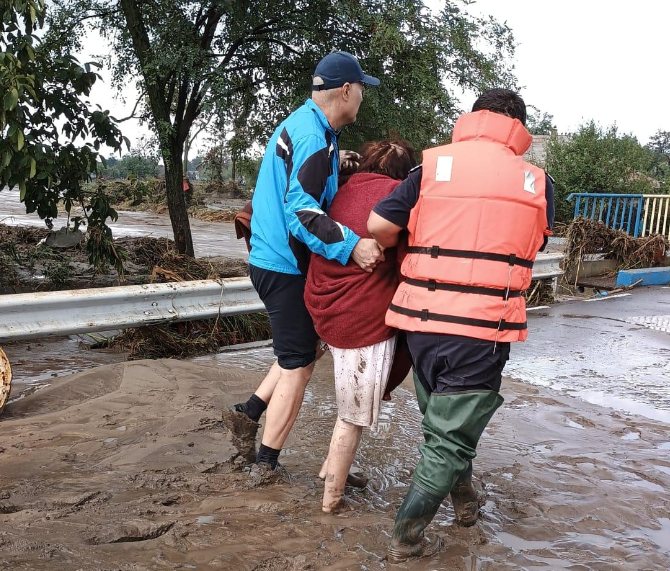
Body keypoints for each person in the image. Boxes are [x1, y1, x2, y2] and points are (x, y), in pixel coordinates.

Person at [367, 89, 555, 563]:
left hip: (422, 323)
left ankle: (466, 502)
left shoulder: (430, 166)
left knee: (445, 424)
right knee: (450, 436)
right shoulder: (537, 182)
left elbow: (378, 226)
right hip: (482, 328)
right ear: (518, 127)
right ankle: (405, 539)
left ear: (474, 118)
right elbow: (537, 242)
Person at [222, 51, 384, 474]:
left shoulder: (310, 126)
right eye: (361, 89)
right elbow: (301, 211)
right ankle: (265, 463)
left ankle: (248, 411)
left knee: (299, 349)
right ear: (346, 90)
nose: (362, 97)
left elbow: (305, 178)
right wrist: (352, 246)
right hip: (283, 265)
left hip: (270, 257)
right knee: (299, 366)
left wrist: (338, 161)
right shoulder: (314, 138)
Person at [304, 140, 417, 512]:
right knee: (352, 416)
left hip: (321, 306)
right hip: (359, 318)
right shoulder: (397, 199)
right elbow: (407, 265)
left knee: (346, 404)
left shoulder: (341, 188)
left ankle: (332, 470)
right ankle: (331, 501)